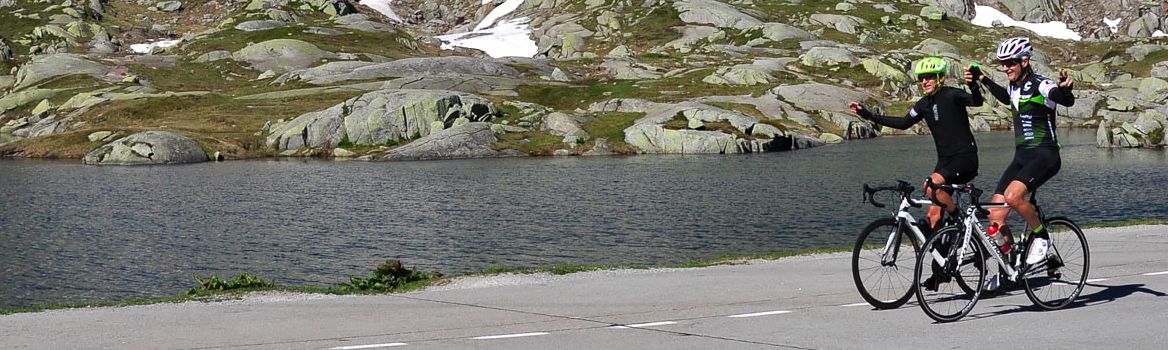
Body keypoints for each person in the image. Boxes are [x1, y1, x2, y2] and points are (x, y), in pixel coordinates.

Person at [848, 57, 984, 291]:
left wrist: (973, 83)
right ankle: (942, 267)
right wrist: (868, 115)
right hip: (945, 162)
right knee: (932, 218)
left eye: (930, 77)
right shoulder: (922, 104)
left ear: (940, 78)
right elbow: (902, 123)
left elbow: (977, 101)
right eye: (922, 79)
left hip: (965, 158)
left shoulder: (952, 94)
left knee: (930, 186)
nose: (925, 82)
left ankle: (958, 217)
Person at [972, 37, 1074, 278]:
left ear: (1025, 61)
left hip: (1045, 155)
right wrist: (982, 78)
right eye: (1003, 64)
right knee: (995, 216)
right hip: (1021, 157)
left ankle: (1041, 236)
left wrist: (1066, 90)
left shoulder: (1040, 84)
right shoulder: (1014, 86)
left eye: (1010, 63)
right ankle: (1010, 269)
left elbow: (1062, 97)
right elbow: (1006, 98)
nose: (1006, 67)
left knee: (1012, 197)